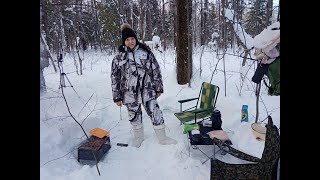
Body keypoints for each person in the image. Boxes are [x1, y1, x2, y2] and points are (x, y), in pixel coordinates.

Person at [111, 23, 177, 148]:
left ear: (135, 39)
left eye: (132, 39)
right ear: (123, 41)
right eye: (127, 39)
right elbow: (115, 78)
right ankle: (138, 138)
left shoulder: (145, 52)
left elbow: (155, 70)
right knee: (134, 115)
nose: (130, 42)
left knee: (155, 112)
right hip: (129, 93)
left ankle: (162, 138)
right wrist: (117, 96)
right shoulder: (118, 58)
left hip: (147, 91)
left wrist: (158, 87)